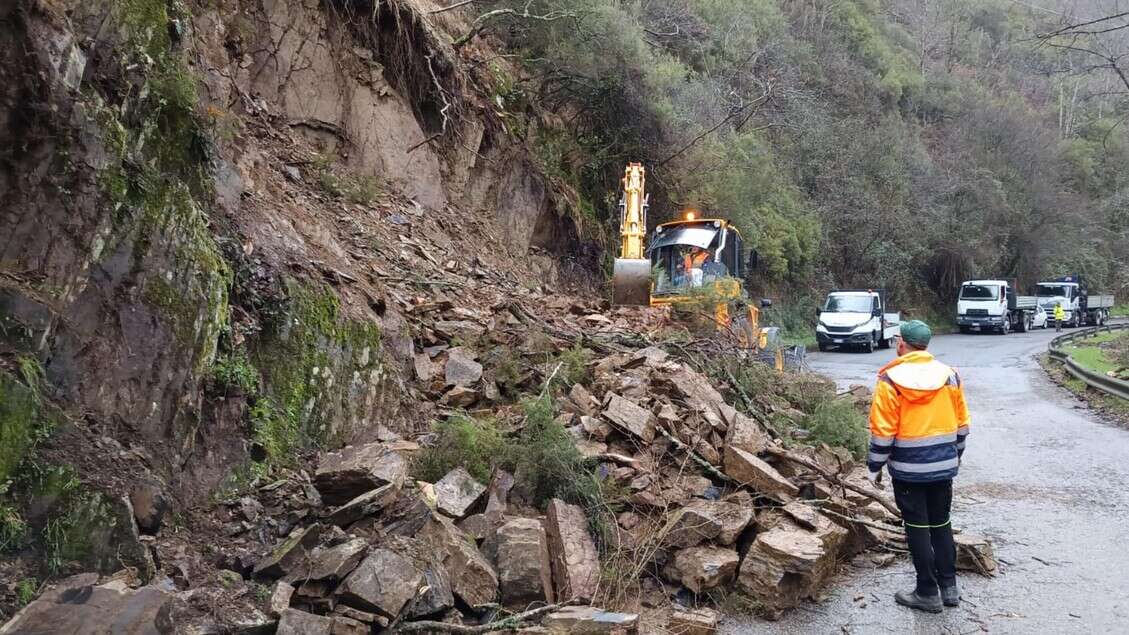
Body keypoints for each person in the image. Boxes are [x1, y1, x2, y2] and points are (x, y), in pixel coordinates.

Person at [867, 320, 970, 613]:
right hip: (943, 465)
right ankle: (949, 587)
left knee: (917, 527)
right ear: (926, 345)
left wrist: (873, 467)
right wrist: (956, 455)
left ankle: (927, 590)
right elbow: (962, 424)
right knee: (941, 522)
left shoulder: (890, 380)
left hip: (908, 469)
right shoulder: (950, 376)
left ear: (902, 344)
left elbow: (883, 432)